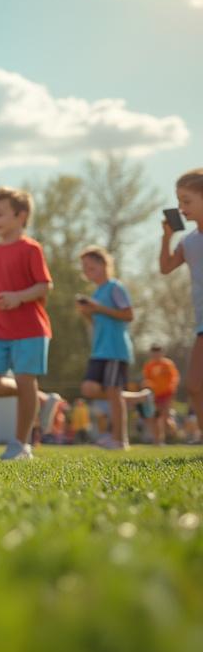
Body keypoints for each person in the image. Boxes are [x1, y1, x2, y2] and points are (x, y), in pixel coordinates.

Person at [0, 188, 62, 461]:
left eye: (0, 214)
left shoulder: (31, 249)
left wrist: (18, 297)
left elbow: (46, 285)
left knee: (25, 380)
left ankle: (21, 445)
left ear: (21, 216)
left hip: (31, 330)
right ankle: (42, 399)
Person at [75, 246, 153, 450]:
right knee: (89, 388)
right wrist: (86, 312)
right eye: (84, 267)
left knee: (113, 392)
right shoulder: (97, 292)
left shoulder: (115, 287)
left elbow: (128, 315)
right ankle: (138, 398)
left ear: (103, 265)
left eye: (90, 266)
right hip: (99, 350)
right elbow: (97, 323)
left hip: (115, 350)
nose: (86, 270)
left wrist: (99, 308)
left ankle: (120, 440)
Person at [158, 168, 203, 436]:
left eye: (187, 201)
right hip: (201, 323)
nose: (181, 208)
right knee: (195, 385)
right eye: (178, 201)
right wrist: (166, 238)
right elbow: (165, 267)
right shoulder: (189, 242)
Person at [141, 345, 180, 445]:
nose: (156, 355)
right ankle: (158, 440)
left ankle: (174, 433)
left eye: (158, 353)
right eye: (154, 353)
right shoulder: (149, 365)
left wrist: (171, 390)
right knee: (156, 417)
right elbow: (146, 379)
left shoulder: (167, 364)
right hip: (155, 395)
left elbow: (174, 378)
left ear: (162, 353)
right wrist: (147, 387)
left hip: (167, 394)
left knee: (166, 417)